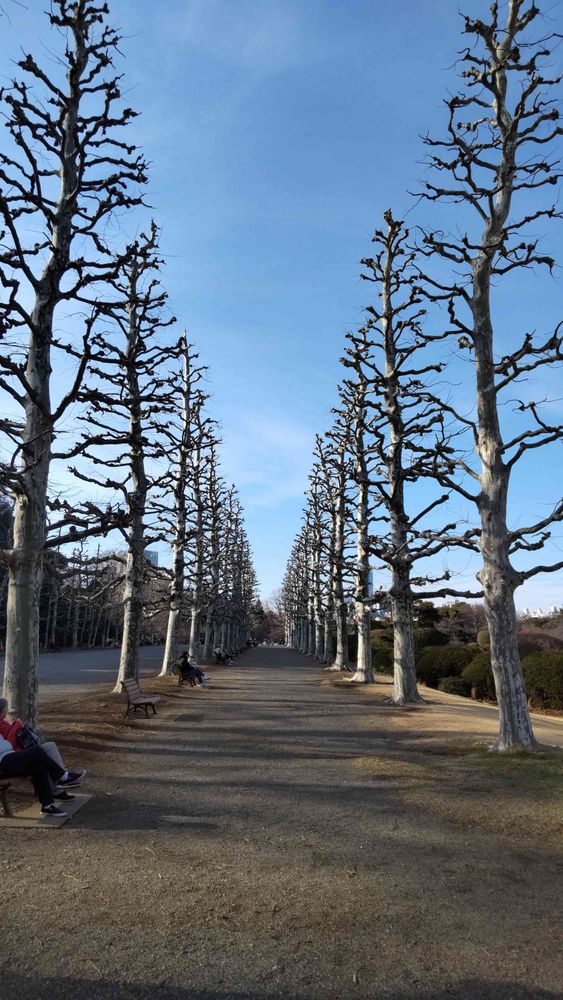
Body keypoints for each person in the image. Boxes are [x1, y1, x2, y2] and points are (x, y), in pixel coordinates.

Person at [0, 698, 86, 804]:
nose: (7, 711)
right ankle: (61, 780)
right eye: (5, 709)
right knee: (38, 753)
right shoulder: (1, 726)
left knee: (50, 746)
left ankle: (59, 784)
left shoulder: (4, 723)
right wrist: (16, 725)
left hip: (17, 753)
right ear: (1, 711)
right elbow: (9, 743)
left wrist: (16, 726)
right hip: (11, 757)